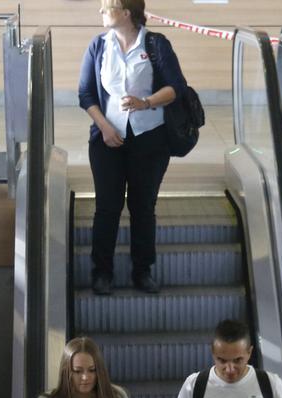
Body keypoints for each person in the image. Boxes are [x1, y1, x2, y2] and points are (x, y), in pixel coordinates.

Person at [78, 0, 187, 295]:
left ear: (126, 13)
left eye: (106, 7)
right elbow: (85, 93)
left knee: (142, 206)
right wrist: (103, 126)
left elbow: (176, 86)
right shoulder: (98, 46)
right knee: (107, 207)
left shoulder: (155, 44)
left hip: (150, 139)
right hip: (107, 138)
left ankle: (143, 270)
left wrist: (146, 102)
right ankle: (102, 272)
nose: (100, 12)